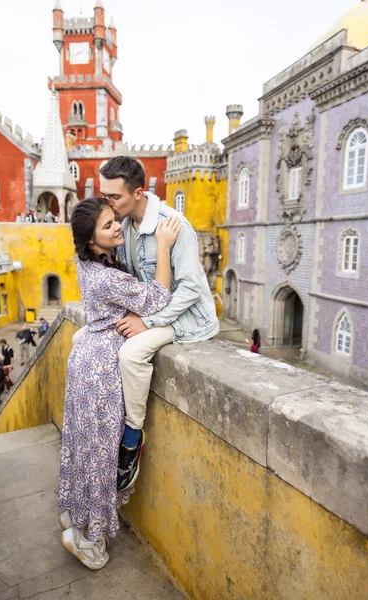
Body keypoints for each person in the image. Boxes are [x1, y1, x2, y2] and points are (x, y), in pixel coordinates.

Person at [57, 197, 180, 571]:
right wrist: (162, 246)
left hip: (85, 364)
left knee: (83, 451)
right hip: (101, 377)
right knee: (100, 458)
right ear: (92, 240)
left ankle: (77, 519)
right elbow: (159, 297)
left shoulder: (87, 261)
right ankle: (90, 544)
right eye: (108, 225)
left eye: (116, 220)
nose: (117, 228)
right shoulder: (108, 277)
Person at [98, 156, 219, 492]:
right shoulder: (121, 226)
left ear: (138, 193)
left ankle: (132, 438)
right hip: (154, 309)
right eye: (104, 195)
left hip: (186, 318)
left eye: (114, 197)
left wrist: (147, 322)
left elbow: (192, 290)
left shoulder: (174, 225)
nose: (108, 203)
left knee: (131, 353)